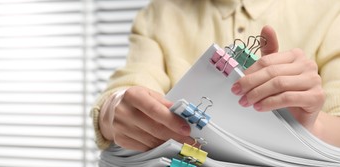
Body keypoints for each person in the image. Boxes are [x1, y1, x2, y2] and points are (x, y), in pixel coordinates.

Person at [91, 0, 340, 151]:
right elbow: (132, 83)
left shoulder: (329, 10)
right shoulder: (161, 14)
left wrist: (311, 126)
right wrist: (113, 110)